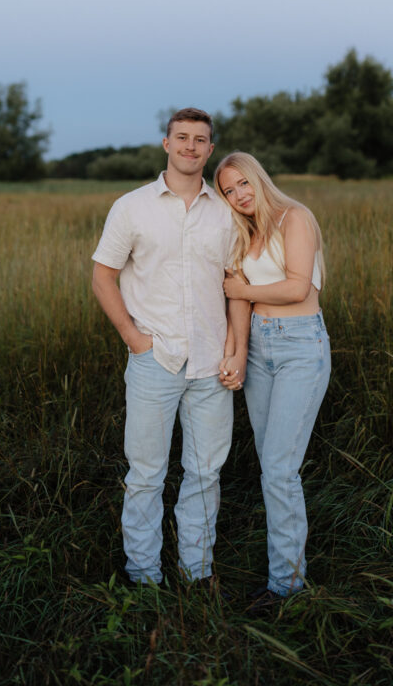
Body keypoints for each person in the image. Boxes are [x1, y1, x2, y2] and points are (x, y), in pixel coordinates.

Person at [92, 108, 248, 588]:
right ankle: (143, 577)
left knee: (204, 475)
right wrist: (133, 339)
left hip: (211, 366)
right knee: (145, 475)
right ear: (166, 144)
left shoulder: (224, 212)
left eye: (200, 140)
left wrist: (236, 351)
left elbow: (235, 284)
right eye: (182, 137)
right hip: (154, 360)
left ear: (209, 149)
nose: (190, 146)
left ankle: (196, 573)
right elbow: (103, 276)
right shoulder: (132, 207)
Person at [214, 152, 331, 603]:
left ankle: (286, 587)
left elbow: (297, 286)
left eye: (243, 183)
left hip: (301, 346)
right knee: (272, 469)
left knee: (280, 471)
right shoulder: (242, 233)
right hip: (260, 348)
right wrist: (238, 353)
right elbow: (237, 304)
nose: (239, 195)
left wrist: (242, 288)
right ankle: (283, 574)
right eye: (228, 190)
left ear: (258, 179)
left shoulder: (294, 218)